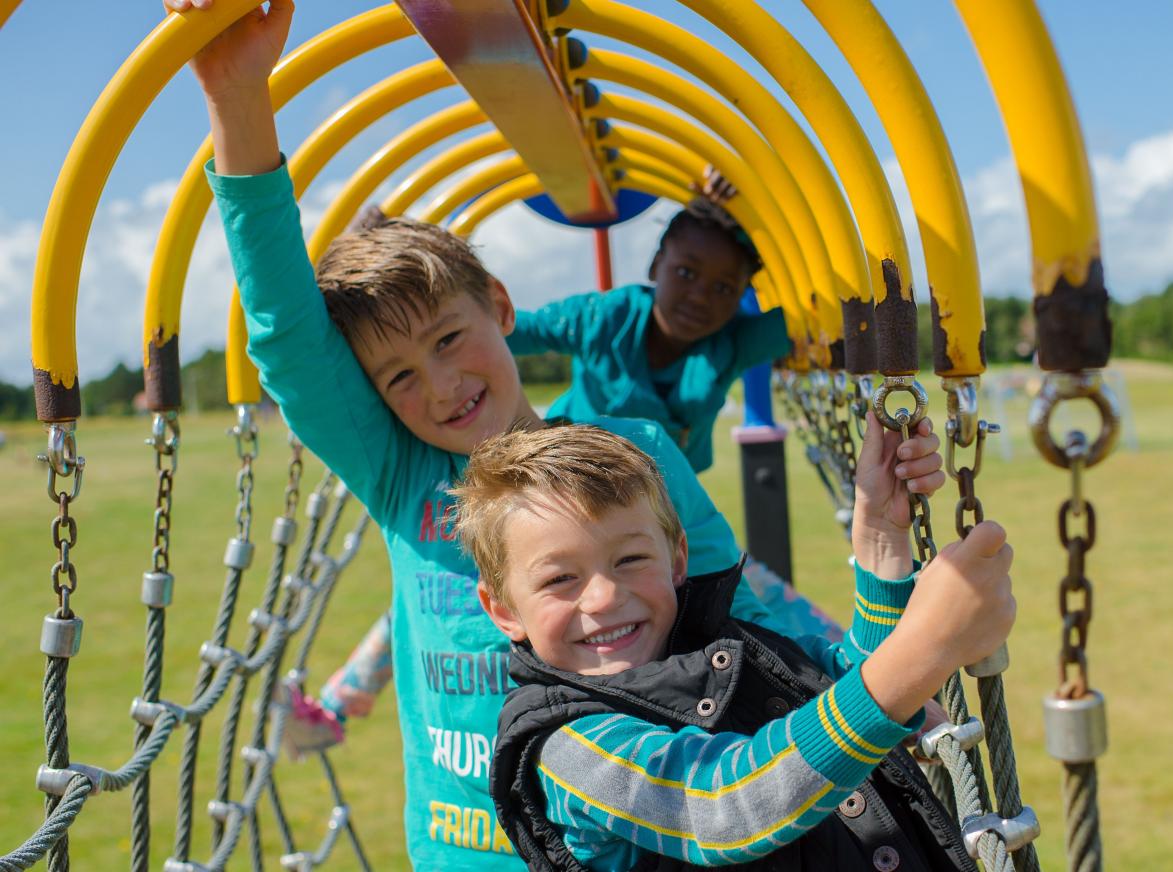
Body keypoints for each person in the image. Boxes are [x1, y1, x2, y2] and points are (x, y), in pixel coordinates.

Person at [169, 0, 857, 865]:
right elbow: (285, 338)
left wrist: (873, 679)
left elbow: (743, 611)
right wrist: (238, 102)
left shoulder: (636, 452)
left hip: (628, 837)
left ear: (500, 308)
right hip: (465, 851)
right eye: (399, 377)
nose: (443, 387)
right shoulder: (397, 470)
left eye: (450, 339)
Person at [452, 420, 1014, 870]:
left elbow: (849, 685)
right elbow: (722, 806)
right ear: (503, 609)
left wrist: (881, 542)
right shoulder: (569, 745)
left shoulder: (729, 649)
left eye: (630, 560)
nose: (602, 597)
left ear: (677, 560)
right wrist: (924, 652)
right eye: (559, 579)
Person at [509, 192, 783, 475]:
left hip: (664, 492)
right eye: (686, 273)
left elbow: (813, 317)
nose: (700, 297)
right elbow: (512, 329)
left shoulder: (733, 341)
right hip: (575, 474)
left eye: (724, 288)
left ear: (742, 294)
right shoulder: (603, 318)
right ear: (655, 265)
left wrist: (754, 206)